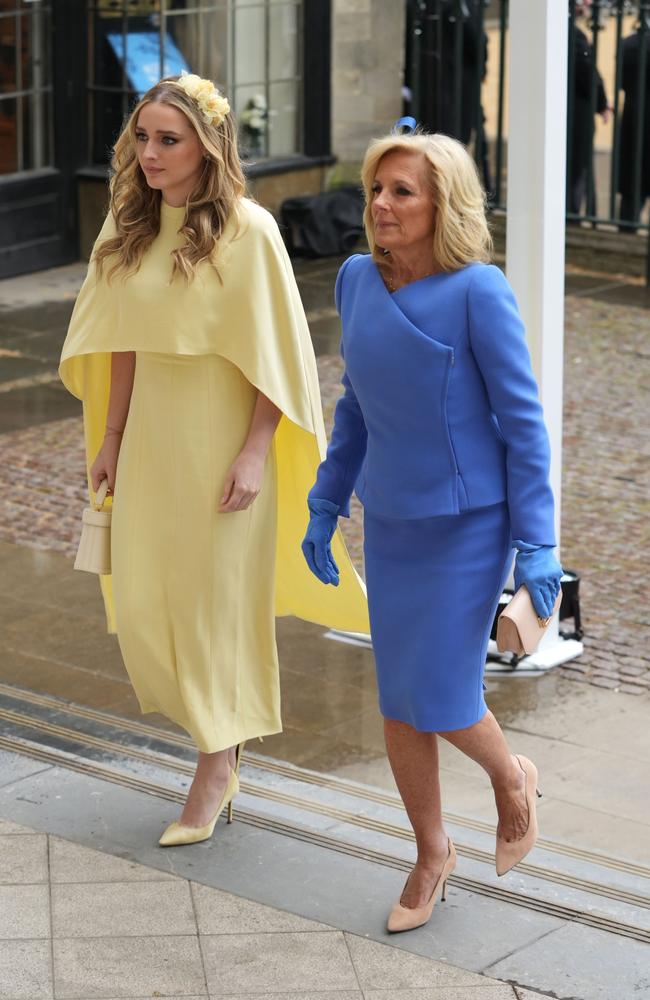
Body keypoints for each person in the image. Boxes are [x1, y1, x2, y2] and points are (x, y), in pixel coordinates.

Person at [59, 73, 367, 848]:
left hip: (221, 432)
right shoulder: (125, 227)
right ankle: (210, 737)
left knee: (213, 602)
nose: (151, 153)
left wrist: (256, 451)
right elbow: (120, 340)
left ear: (208, 145)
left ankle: (216, 761)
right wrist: (114, 437)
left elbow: (276, 356)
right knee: (145, 598)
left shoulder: (251, 232)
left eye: (170, 139)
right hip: (153, 430)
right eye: (143, 137)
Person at [301, 124, 563, 934]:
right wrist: (324, 501)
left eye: (402, 191)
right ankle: (430, 850)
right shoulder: (353, 280)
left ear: (440, 204)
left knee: (443, 696)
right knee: (399, 701)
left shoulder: (478, 291)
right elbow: (355, 406)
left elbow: (523, 424)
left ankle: (511, 777)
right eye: (376, 188)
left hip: (468, 525)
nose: (381, 203)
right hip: (395, 522)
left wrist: (539, 542)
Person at [568, 1, 612, 216]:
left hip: (571, 112)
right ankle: (572, 216)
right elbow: (588, 73)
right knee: (576, 168)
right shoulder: (574, 35)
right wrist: (602, 104)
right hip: (576, 114)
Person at [617, 27, 650, 229]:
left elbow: (621, 82)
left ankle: (626, 228)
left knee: (632, 188)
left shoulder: (629, 43)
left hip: (633, 117)